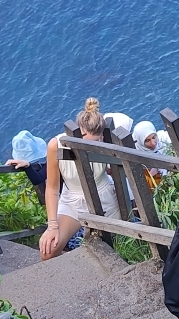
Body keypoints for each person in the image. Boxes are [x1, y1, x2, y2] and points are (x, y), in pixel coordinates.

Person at [39, 98, 119, 258]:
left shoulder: (105, 140)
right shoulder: (56, 145)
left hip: (104, 195)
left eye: (97, 141)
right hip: (73, 200)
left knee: (117, 249)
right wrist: (52, 226)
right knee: (48, 251)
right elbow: (52, 187)